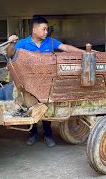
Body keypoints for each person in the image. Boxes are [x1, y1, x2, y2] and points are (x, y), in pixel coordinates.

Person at [7, 16, 84, 147]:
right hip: (29, 84)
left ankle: (48, 135)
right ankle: (33, 134)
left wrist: (85, 53)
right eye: (44, 29)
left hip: (47, 83)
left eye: (47, 29)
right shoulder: (23, 43)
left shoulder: (50, 42)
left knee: (46, 109)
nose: (46, 32)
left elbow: (65, 48)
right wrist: (11, 43)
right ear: (34, 30)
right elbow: (10, 54)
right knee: (30, 109)